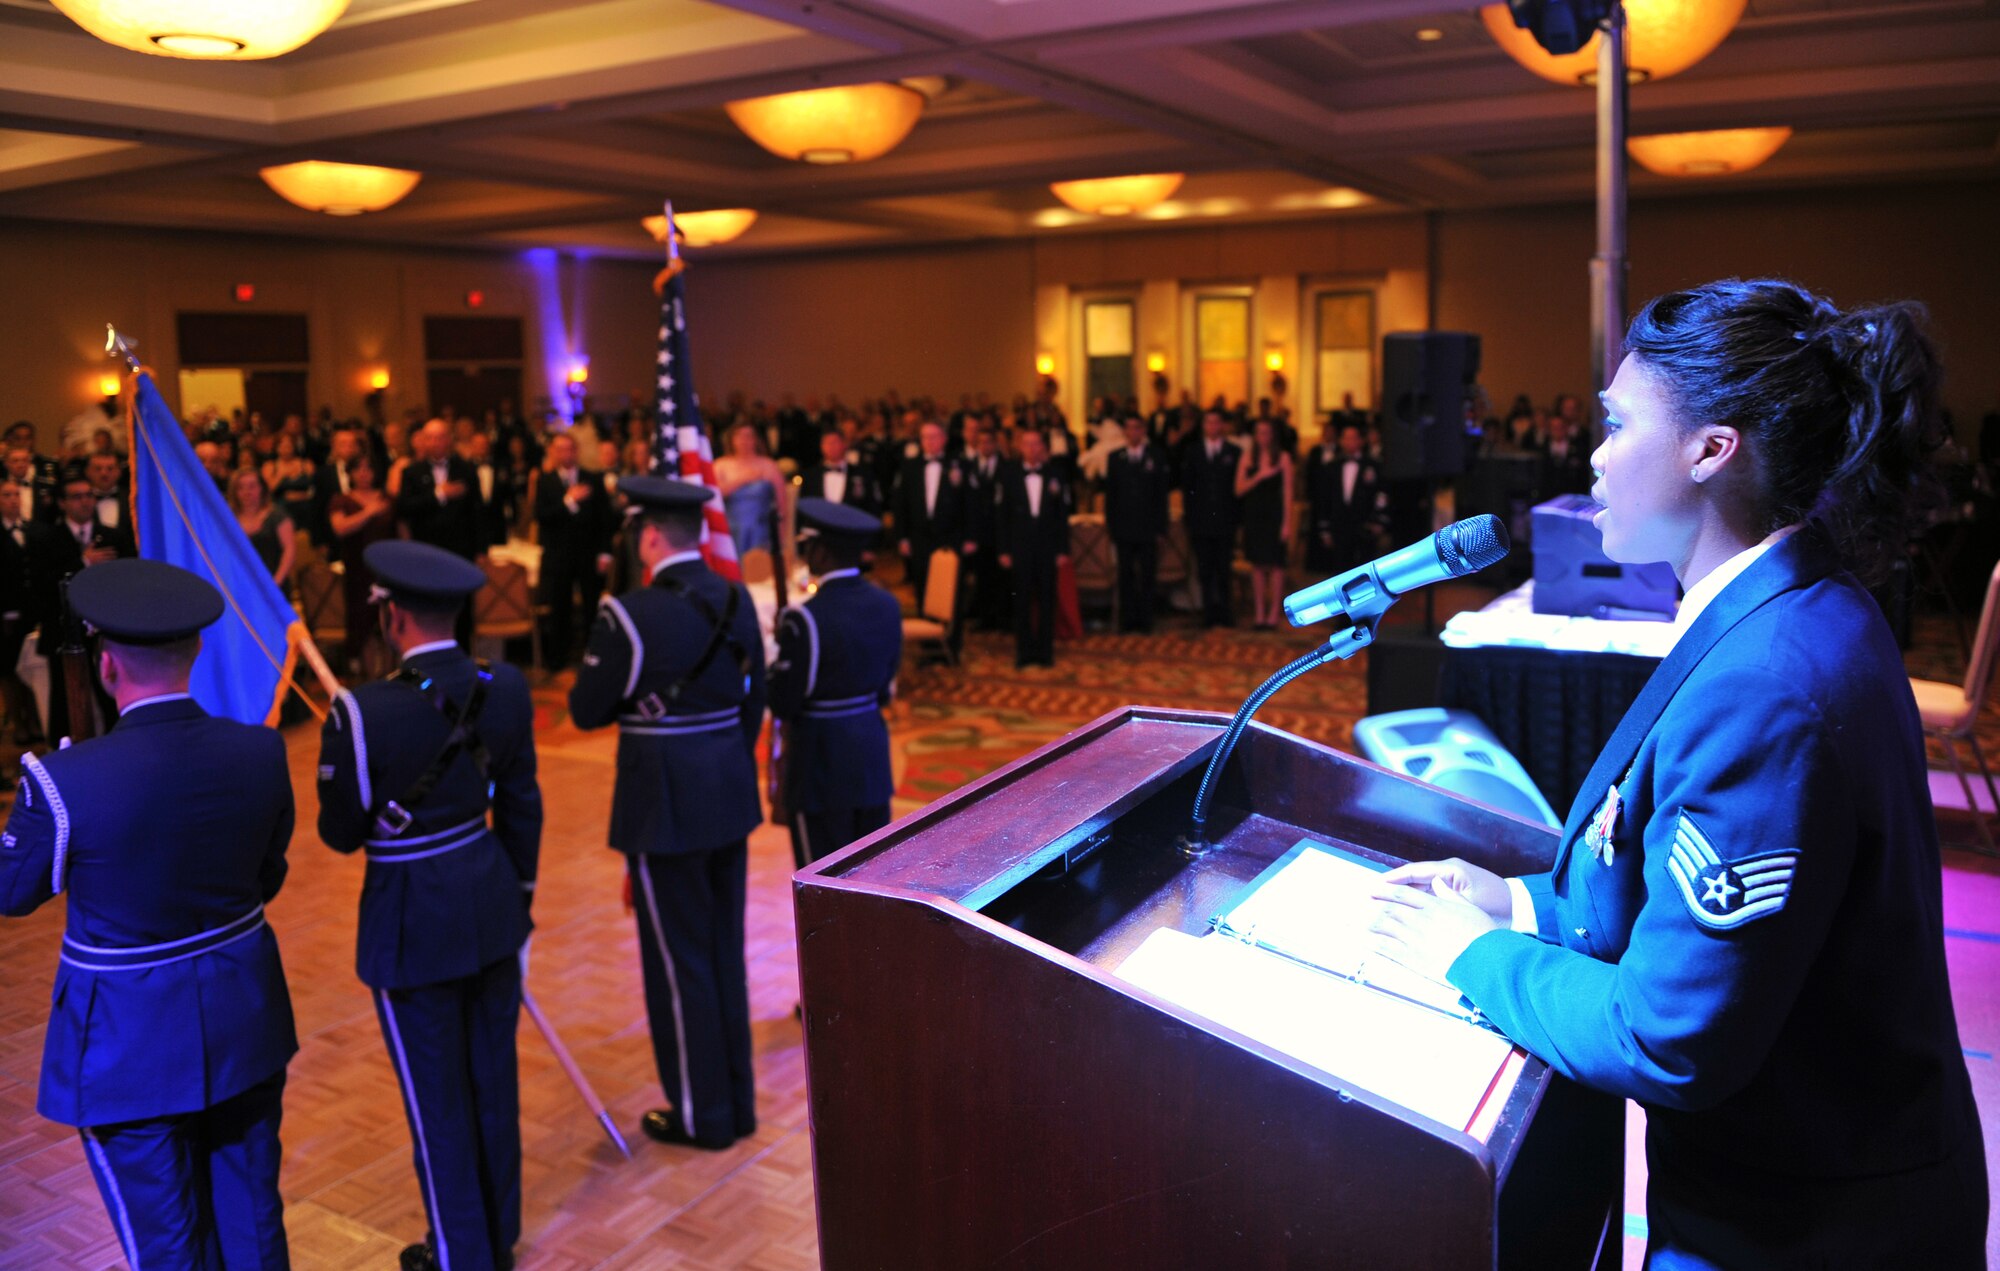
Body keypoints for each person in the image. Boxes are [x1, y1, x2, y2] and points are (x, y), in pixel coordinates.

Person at [1366, 279, 1987, 1269]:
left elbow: (1671, 1034)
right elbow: (1678, 896)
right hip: (1817, 1182)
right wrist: (1518, 904)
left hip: (1811, 1227)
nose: (1595, 457)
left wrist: (1466, 952)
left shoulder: (1768, 679)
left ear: (1709, 448)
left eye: (1616, 426)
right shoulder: (1786, 597)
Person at [1, 559, 298, 1270]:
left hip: (126, 1046)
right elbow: (268, 875)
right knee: (254, 1228)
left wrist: (48, 799)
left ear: (105, 665)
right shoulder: (261, 751)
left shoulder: (64, 780)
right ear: (195, 650)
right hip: (244, 1016)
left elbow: (11, 892)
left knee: (167, 1246)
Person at [316, 540, 543, 1271]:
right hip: (490, 894)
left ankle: (459, 1252)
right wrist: (521, 896)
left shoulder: (359, 709)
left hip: (412, 913)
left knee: (435, 1096)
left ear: (391, 615)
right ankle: (495, 1236)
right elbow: (523, 804)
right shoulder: (503, 685)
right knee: (491, 1082)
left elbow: (340, 833)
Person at [568, 476, 766, 1151]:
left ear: (649, 536)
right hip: (727, 793)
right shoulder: (735, 598)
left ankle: (699, 1113)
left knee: (678, 963)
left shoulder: (629, 613)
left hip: (663, 806)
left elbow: (585, 708)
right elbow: (754, 699)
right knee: (722, 952)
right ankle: (735, 1103)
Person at [770, 498, 901, 867]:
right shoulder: (887, 605)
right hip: (871, 754)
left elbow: (784, 702)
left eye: (809, 545)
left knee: (824, 884)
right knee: (870, 881)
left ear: (822, 552)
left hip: (820, 767)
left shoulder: (806, 619)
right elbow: (884, 683)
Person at [533, 432, 613, 670]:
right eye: (560, 449)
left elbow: (604, 519)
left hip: (588, 554)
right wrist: (568, 501)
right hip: (559, 557)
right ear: (553, 453)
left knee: (591, 608)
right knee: (560, 608)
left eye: (570, 449)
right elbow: (542, 516)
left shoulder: (592, 478)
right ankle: (558, 659)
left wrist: (605, 552)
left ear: (576, 451)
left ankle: (593, 657)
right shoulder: (545, 481)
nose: (566, 453)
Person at [996, 429, 1071, 669]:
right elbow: (1002, 517)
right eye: (1027, 444)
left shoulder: (1055, 474)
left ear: (1042, 447)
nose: (1032, 448)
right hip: (1020, 548)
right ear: (1020, 446)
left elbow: (1062, 516)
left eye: (1036, 444)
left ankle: (1045, 652)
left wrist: (1062, 550)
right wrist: (1004, 550)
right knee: (1022, 602)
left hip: (1048, 549)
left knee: (1047, 600)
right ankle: (1024, 651)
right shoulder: (1009, 475)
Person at [328, 454, 396, 678]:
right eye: (359, 469)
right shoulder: (341, 500)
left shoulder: (387, 498)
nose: (364, 473)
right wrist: (369, 512)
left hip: (387, 570)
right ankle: (369, 677)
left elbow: (400, 533)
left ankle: (390, 675)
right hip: (358, 571)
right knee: (362, 624)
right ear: (351, 473)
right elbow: (340, 528)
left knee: (389, 622)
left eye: (368, 468)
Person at [890, 420, 970, 608]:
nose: (929, 441)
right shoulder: (910, 467)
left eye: (934, 437)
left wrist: (970, 536)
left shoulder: (958, 465)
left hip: (951, 536)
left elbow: (969, 503)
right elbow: (900, 505)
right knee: (922, 585)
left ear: (944, 439)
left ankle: (953, 635)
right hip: (920, 537)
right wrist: (902, 537)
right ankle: (928, 634)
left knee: (952, 587)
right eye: (925, 437)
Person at [1103, 416, 1170, 633]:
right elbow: (1110, 497)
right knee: (1126, 575)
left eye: (1137, 428)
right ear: (1125, 431)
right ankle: (1128, 619)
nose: (1133, 432)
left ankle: (1146, 619)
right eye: (1129, 428)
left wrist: (1161, 528)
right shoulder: (1115, 458)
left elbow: (1162, 496)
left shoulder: (1156, 457)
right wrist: (1112, 527)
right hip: (1124, 528)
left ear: (1143, 431)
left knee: (1148, 575)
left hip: (1148, 528)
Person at [1181, 410, 1241, 628]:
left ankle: (1225, 612)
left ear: (1222, 425)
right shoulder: (1193, 452)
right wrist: (1190, 520)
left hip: (1225, 522)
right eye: (1209, 422)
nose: (1213, 426)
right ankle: (1208, 613)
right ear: (1204, 426)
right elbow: (1188, 489)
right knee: (1205, 571)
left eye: (1217, 422)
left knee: (1224, 569)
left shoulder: (1234, 452)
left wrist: (1236, 520)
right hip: (1201, 523)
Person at [1303, 421, 1386, 576]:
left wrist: (1379, 520)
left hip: (1365, 525)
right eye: (1346, 438)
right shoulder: (1332, 467)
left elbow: (1381, 494)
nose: (1350, 442)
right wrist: (1325, 529)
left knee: (1366, 570)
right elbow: (1324, 499)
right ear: (1341, 441)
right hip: (1339, 526)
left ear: (1361, 441)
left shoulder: (1373, 465)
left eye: (1354, 438)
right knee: (1341, 570)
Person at [395, 419, 484, 561]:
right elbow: (404, 508)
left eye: (440, 437)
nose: (435, 443)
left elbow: (477, 510)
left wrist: (481, 549)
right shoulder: (411, 472)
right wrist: (438, 494)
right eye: (430, 438)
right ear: (423, 441)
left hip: (461, 549)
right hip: (426, 548)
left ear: (449, 440)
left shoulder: (466, 469)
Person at [715, 422, 784, 560]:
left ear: (756, 440)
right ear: (732, 440)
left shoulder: (768, 465)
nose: (744, 441)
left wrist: (782, 538)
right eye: (740, 436)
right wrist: (743, 479)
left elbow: (781, 505)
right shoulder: (720, 465)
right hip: (731, 530)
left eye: (749, 436)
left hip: (760, 531)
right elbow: (714, 495)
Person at [231, 467, 297, 596]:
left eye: (252, 487)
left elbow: (290, 551)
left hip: (274, 584)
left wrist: (274, 584)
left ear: (262, 488)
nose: (246, 492)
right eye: (241, 488)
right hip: (241, 587)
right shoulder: (228, 518)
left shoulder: (277, 516)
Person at [262, 431, 317, 532]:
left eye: (288, 446)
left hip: (306, 507)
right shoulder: (270, 466)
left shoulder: (306, 464)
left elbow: (316, 487)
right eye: (282, 446)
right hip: (282, 509)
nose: (286, 450)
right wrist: (282, 474)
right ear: (276, 448)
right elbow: (268, 490)